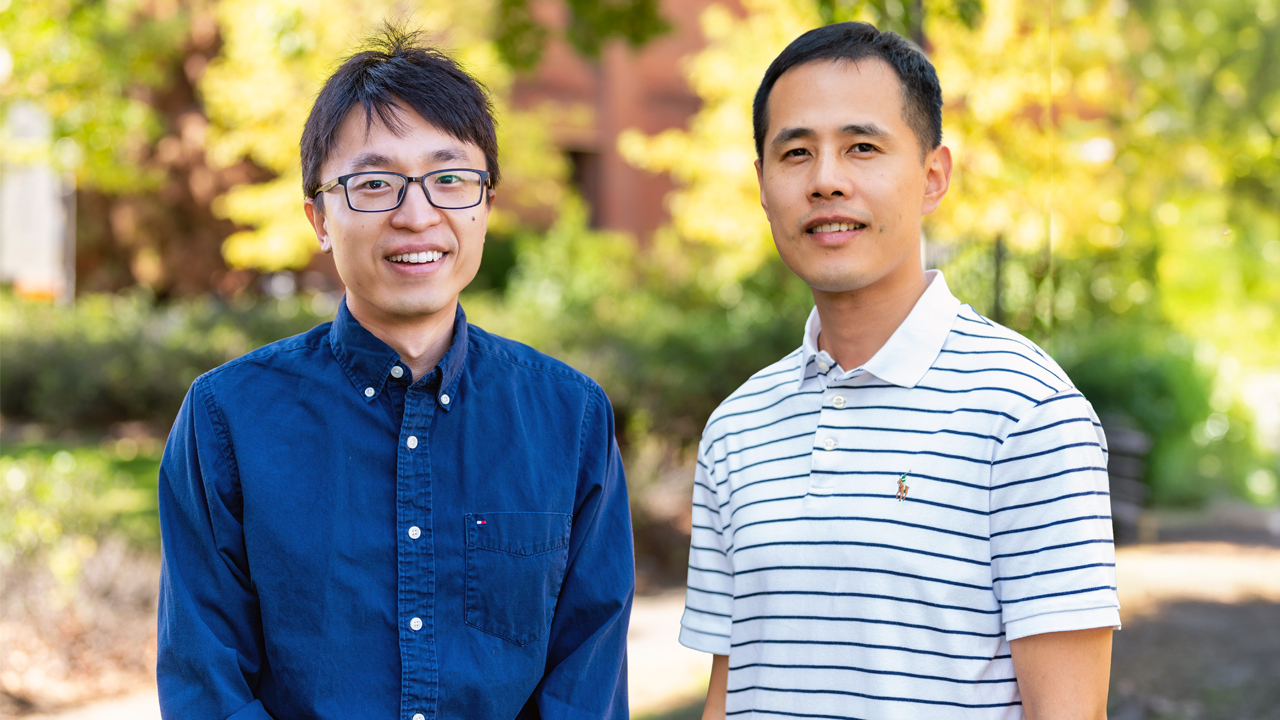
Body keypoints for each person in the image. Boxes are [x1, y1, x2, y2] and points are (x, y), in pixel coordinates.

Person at [156, 27, 633, 720]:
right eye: (375, 183)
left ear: (487, 208)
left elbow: (585, 684)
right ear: (319, 217)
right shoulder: (226, 419)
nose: (417, 215)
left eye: (449, 179)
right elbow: (207, 684)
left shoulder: (570, 419)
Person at [681, 22, 1119, 720]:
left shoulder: (1027, 412)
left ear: (933, 175)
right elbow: (728, 695)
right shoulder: (736, 428)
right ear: (762, 185)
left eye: (862, 147)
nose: (826, 180)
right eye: (795, 152)